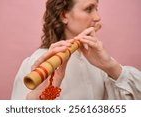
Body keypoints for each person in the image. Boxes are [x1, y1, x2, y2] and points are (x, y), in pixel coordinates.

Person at [11, 0, 141, 100]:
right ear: (64, 16)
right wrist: (40, 100)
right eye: (89, 9)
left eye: (96, 8)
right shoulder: (38, 65)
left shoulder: (97, 60)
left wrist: (111, 67)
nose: (97, 17)